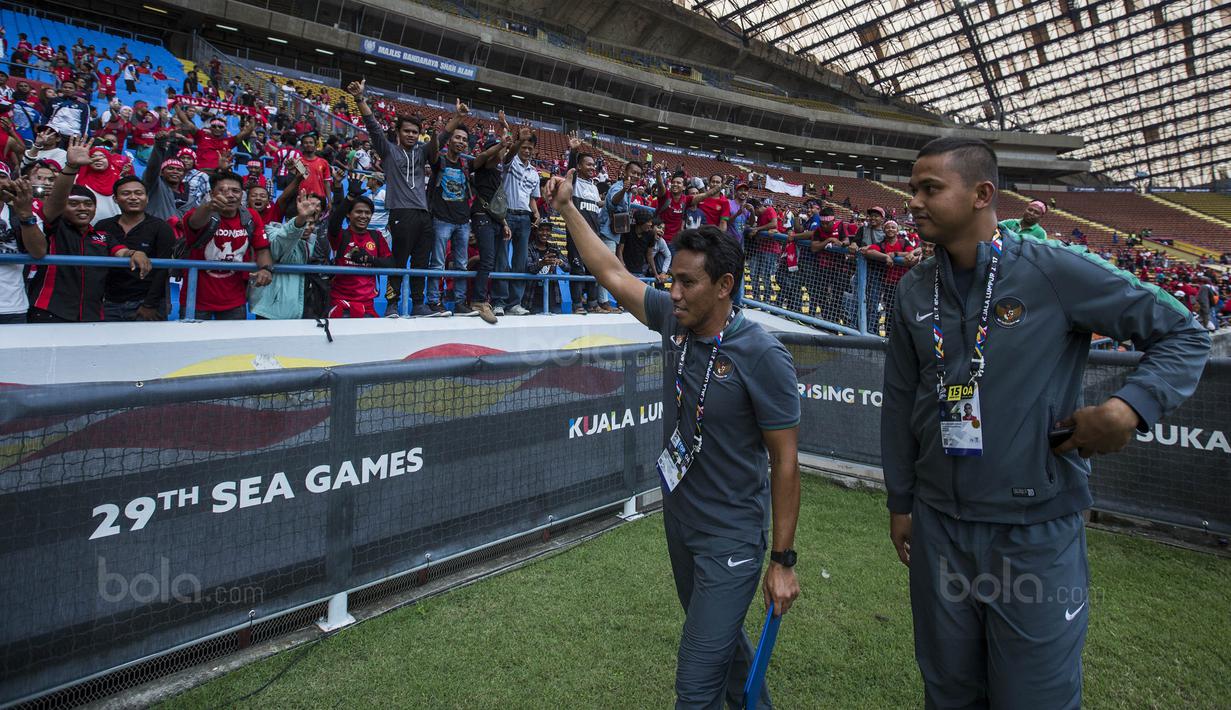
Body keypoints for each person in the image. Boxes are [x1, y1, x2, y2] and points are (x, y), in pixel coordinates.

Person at [882, 137, 1211, 709]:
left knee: (1033, 698)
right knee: (949, 692)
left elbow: (1184, 333)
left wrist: (1129, 407)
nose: (914, 201)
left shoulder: (1053, 269)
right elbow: (900, 401)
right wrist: (901, 500)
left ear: (982, 194)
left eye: (929, 188)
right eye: (912, 189)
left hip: (1032, 532)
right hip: (939, 528)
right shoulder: (913, 289)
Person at [547, 168, 801, 709]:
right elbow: (612, 272)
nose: (674, 291)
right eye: (671, 280)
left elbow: (785, 462)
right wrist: (567, 208)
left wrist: (783, 560)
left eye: (687, 282)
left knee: (695, 681)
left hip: (731, 536)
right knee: (725, 651)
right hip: (681, 521)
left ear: (724, 286)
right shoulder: (675, 321)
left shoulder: (762, 355)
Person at [21, 138, 150, 322]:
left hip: (91, 314)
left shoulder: (102, 236)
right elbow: (56, 202)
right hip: (50, 311)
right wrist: (71, 167)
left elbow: (120, 251)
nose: (82, 208)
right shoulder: (54, 228)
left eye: (88, 204)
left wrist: (135, 253)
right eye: (74, 204)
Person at [349, 78, 435, 316]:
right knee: (398, 259)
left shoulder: (421, 154)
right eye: (406, 131)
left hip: (423, 214)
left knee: (421, 262)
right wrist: (360, 99)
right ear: (398, 133)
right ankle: (392, 304)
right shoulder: (388, 151)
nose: (411, 135)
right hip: (401, 213)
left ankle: (419, 304)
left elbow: (444, 139)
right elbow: (373, 128)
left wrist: (457, 117)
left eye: (415, 132)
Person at [179, 170, 273, 320]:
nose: (230, 195)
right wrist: (209, 207)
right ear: (212, 193)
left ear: (242, 195)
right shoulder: (199, 214)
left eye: (235, 191)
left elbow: (262, 249)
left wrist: (266, 269)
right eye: (222, 190)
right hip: (196, 300)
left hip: (235, 301)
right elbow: (195, 223)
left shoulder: (251, 217)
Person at [95, 176, 175, 321]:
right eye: (126, 193)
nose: (133, 197)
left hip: (146, 304)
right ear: (115, 199)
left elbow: (163, 270)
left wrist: (149, 305)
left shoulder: (161, 228)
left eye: (139, 193)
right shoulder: (103, 226)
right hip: (109, 303)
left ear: (147, 198)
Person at [424, 99, 473, 316]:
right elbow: (434, 149)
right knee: (437, 263)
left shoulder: (465, 165)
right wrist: (454, 121)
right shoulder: (440, 161)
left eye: (464, 139)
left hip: (463, 222)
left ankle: (460, 302)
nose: (461, 142)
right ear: (450, 140)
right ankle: (434, 301)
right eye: (457, 137)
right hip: (441, 219)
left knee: (461, 264)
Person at [248, 191, 323, 320]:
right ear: (288, 221)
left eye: (310, 223)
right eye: (304, 222)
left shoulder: (311, 241)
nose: (307, 227)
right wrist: (299, 221)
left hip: (295, 310)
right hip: (272, 311)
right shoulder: (273, 233)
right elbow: (284, 240)